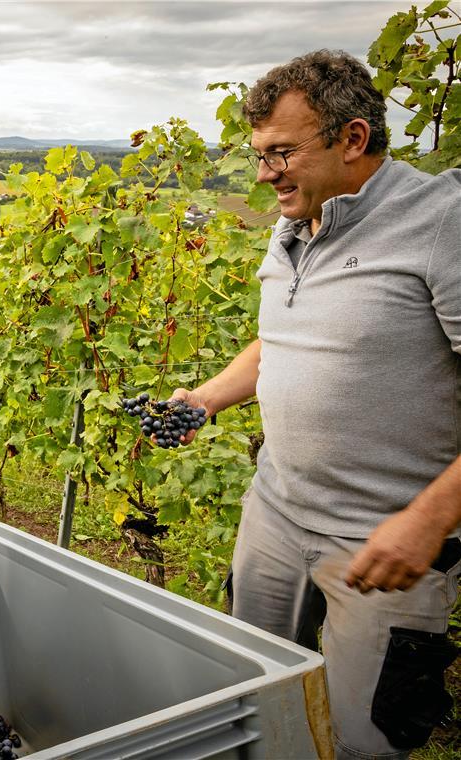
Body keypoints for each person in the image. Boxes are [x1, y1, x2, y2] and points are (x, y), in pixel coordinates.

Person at [171, 50, 460, 759]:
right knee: (252, 696)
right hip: (275, 513)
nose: (265, 174)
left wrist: (426, 523)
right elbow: (282, 338)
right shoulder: (302, 219)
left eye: (282, 153)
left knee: (360, 741)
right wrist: (205, 399)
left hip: (382, 541)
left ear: (353, 139)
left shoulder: (441, 222)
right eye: (259, 155)